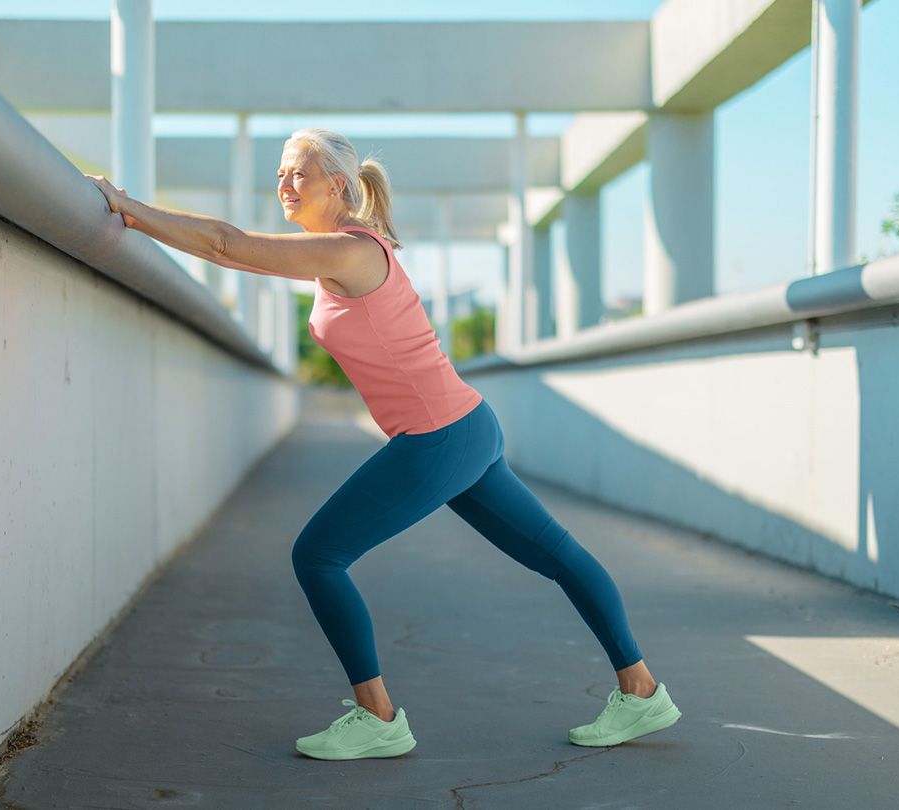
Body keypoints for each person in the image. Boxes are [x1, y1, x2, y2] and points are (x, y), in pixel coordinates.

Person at [87, 128, 681, 762]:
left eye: (298, 173)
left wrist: (127, 207)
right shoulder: (346, 250)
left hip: (439, 437)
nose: (284, 184)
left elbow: (227, 244)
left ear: (336, 185)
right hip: (466, 425)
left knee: (318, 556)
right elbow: (233, 253)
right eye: (281, 172)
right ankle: (641, 691)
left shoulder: (350, 251)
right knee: (557, 555)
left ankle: (378, 718)